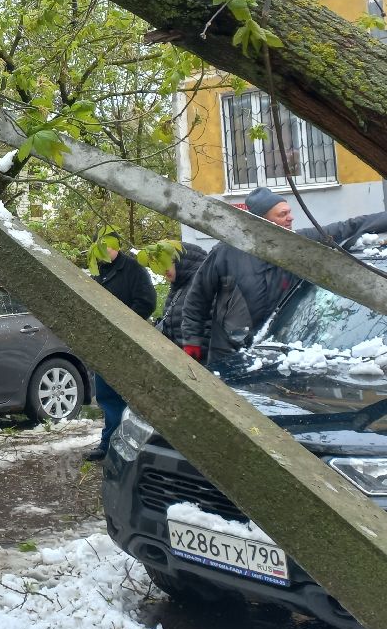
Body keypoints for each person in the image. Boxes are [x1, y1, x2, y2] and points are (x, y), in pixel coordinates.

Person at [181, 187, 387, 365]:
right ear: (262, 221)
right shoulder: (226, 252)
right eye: (282, 214)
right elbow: (197, 299)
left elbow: (347, 227)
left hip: (274, 355)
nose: (291, 217)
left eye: (289, 212)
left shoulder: (299, 245)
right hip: (227, 354)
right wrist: (192, 340)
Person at [83, 240, 156, 463]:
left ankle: (135, 446)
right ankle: (109, 444)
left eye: (109, 247)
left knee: (132, 399)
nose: (105, 252)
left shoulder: (134, 269)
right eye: (100, 248)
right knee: (107, 396)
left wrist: (123, 325)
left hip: (128, 343)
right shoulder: (97, 272)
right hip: (104, 345)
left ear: (117, 246)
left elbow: (147, 302)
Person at [155, 243, 207, 347]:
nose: (165, 269)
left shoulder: (203, 285)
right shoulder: (179, 286)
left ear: (181, 261)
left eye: (169, 262)